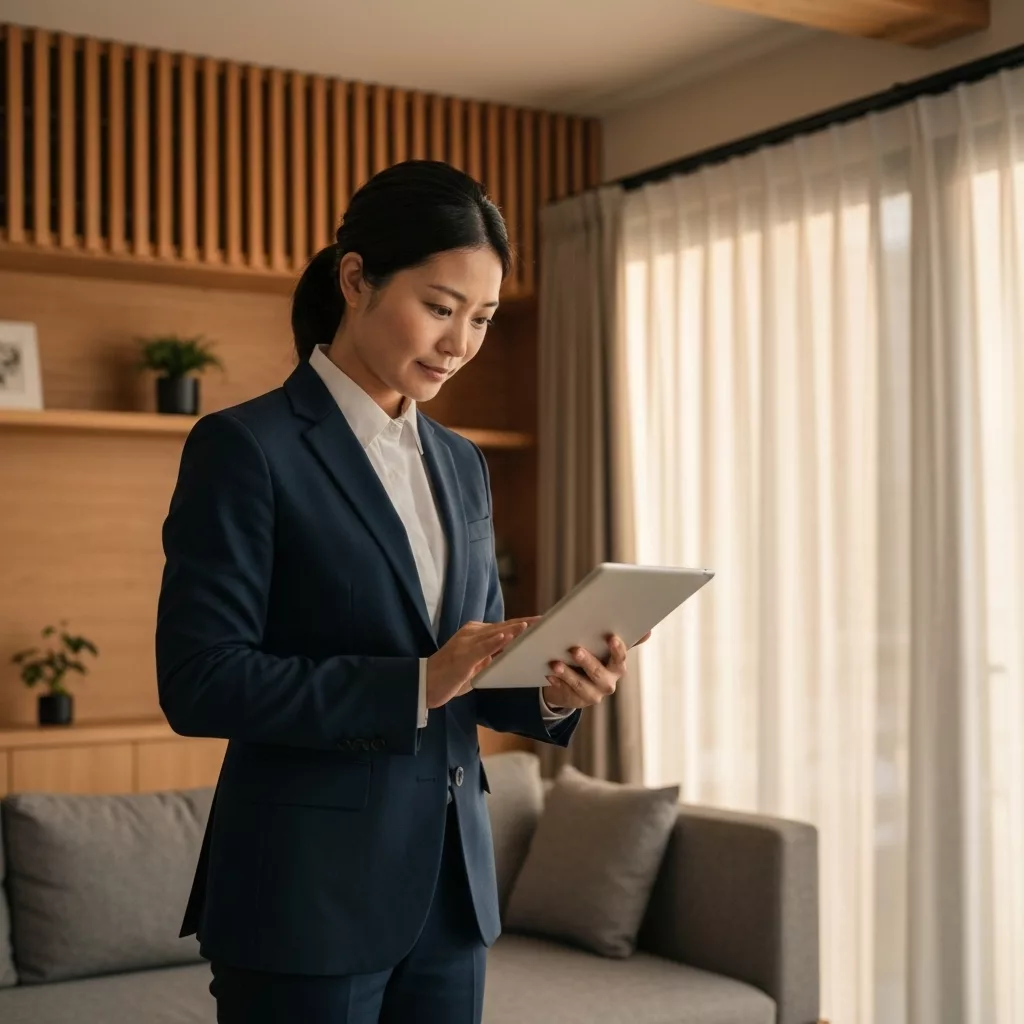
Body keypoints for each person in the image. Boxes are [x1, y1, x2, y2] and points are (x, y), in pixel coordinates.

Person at [155, 160, 641, 1024]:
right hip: (305, 900)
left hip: (453, 900)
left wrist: (553, 686)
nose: (460, 342)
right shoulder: (245, 447)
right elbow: (201, 680)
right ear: (356, 279)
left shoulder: (461, 461)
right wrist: (415, 681)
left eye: (483, 318)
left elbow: (475, 669)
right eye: (441, 306)